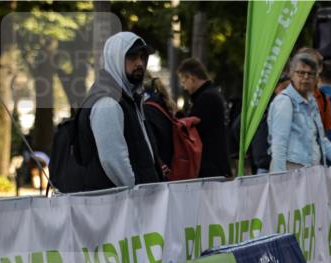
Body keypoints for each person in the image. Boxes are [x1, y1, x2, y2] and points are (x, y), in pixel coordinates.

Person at [75, 32, 162, 190]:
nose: (140, 63)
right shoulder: (107, 102)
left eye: (142, 57)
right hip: (122, 207)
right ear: (115, 58)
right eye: (132, 57)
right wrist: (138, 193)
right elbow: (113, 161)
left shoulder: (128, 98)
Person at [268, 53, 331, 172]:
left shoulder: (312, 101)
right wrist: (280, 180)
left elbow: (321, 141)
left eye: (311, 74)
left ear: (317, 78)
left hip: (311, 171)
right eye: (300, 73)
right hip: (291, 171)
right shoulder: (284, 101)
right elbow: (278, 145)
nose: (306, 77)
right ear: (291, 75)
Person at [177, 58, 231, 177]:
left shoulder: (206, 98)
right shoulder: (213, 94)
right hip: (218, 166)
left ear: (191, 77)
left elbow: (192, 132)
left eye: (183, 81)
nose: (184, 87)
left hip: (210, 169)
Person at [249, 76, 290, 174]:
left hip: (267, 164)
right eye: (284, 88)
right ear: (276, 88)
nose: (288, 92)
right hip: (268, 165)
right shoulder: (264, 109)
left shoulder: (260, 107)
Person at [143, 77, 178, 170]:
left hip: (161, 170)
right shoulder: (165, 107)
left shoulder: (148, 110)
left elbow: (152, 145)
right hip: (172, 164)